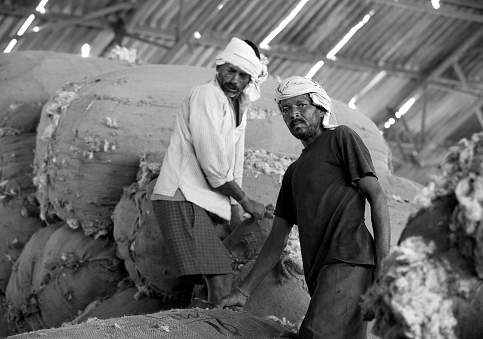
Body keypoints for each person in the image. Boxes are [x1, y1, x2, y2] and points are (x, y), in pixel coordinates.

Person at [217, 76, 391, 339]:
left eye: (301, 106)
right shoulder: (293, 173)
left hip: (349, 260)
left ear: (321, 109)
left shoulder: (341, 138)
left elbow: (377, 196)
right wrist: (243, 293)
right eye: (285, 110)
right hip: (320, 274)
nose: (293, 114)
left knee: (315, 334)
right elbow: (277, 240)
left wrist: (384, 264)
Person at [151, 37, 268, 308]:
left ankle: (206, 323)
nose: (234, 80)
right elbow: (212, 162)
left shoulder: (239, 106)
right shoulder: (206, 95)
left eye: (243, 75)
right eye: (230, 70)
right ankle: (217, 328)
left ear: (250, 80)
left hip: (202, 200)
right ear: (219, 66)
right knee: (221, 276)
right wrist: (245, 200)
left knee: (216, 277)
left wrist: (237, 213)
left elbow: (234, 162)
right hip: (180, 195)